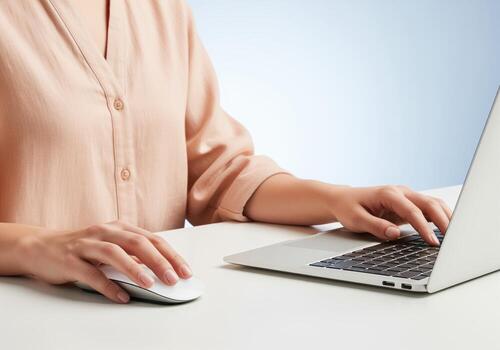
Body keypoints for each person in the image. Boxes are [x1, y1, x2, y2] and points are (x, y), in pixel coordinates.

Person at [0, 0, 452, 303]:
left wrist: (337, 199)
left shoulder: (160, 9)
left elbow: (216, 171)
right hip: (31, 315)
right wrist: (36, 246)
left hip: (162, 314)